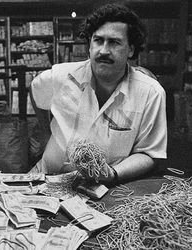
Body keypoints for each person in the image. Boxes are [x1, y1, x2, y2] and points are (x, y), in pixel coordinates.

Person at [29, 3, 167, 185]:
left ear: (131, 49)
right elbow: (35, 88)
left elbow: (149, 153)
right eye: (98, 40)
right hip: (48, 178)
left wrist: (112, 174)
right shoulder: (61, 76)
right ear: (89, 45)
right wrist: (46, 133)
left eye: (114, 42)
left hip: (103, 187)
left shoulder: (150, 93)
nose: (103, 51)